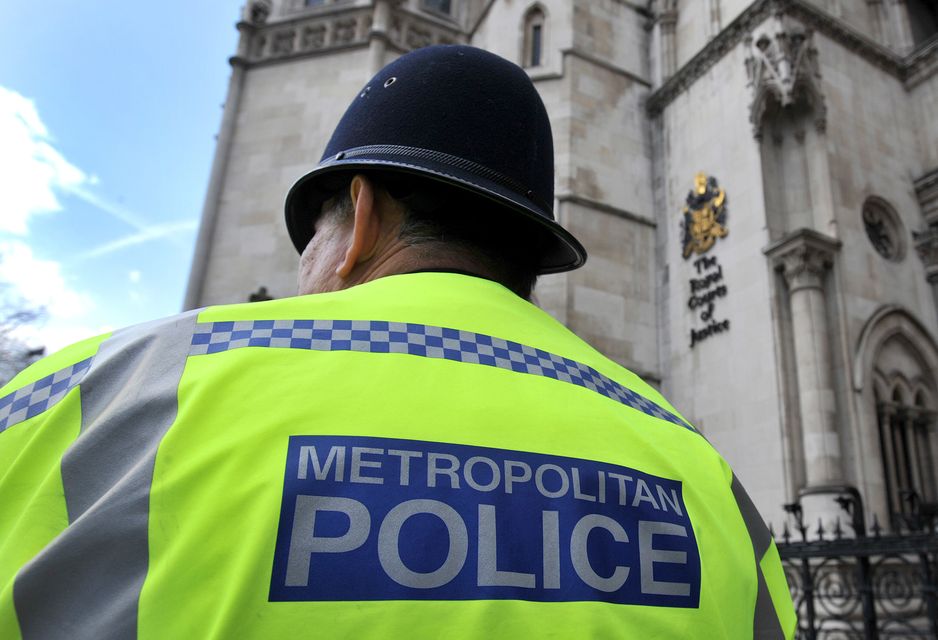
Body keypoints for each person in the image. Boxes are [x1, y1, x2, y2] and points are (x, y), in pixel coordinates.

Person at [0, 45, 795, 639]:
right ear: (528, 258)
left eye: (308, 239)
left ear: (361, 219)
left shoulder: (92, 404)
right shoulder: (706, 481)